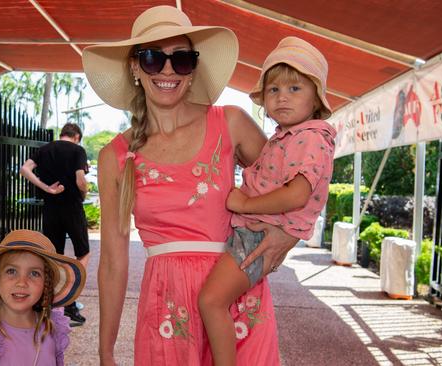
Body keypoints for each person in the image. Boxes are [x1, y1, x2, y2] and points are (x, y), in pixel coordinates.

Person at [82, 5, 300, 365]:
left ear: (193, 67)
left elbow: (301, 178)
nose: (167, 70)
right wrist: (105, 350)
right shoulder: (116, 157)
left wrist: (287, 237)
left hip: (238, 299)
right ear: (135, 67)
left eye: (181, 59)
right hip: (167, 312)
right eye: (153, 58)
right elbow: (113, 264)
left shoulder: (230, 123)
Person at [199, 36, 337, 365]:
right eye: (273, 90)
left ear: (316, 98)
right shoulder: (288, 137)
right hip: (254, 232)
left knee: (211, 301)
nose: (281, 98)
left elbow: (297, 193)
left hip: (257, 234)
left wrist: (244, 204)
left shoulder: (311, 138)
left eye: (294, 89)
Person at [0, 229, 86, 365]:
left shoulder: (52, 329)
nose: (21, 282)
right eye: (11, 271)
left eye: (34, 273)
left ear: (46, 284)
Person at [20, 122, 90, 324]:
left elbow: (25, 169)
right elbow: (80, 180)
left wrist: (46, 188)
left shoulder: (44, 149)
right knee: (83, 253)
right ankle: (70, 302)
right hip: (72, 207)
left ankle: (48, 301)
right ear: (76, 136)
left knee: (53, 255)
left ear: (62, 134)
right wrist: (83, 194)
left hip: (50, 208)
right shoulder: (78, 150)